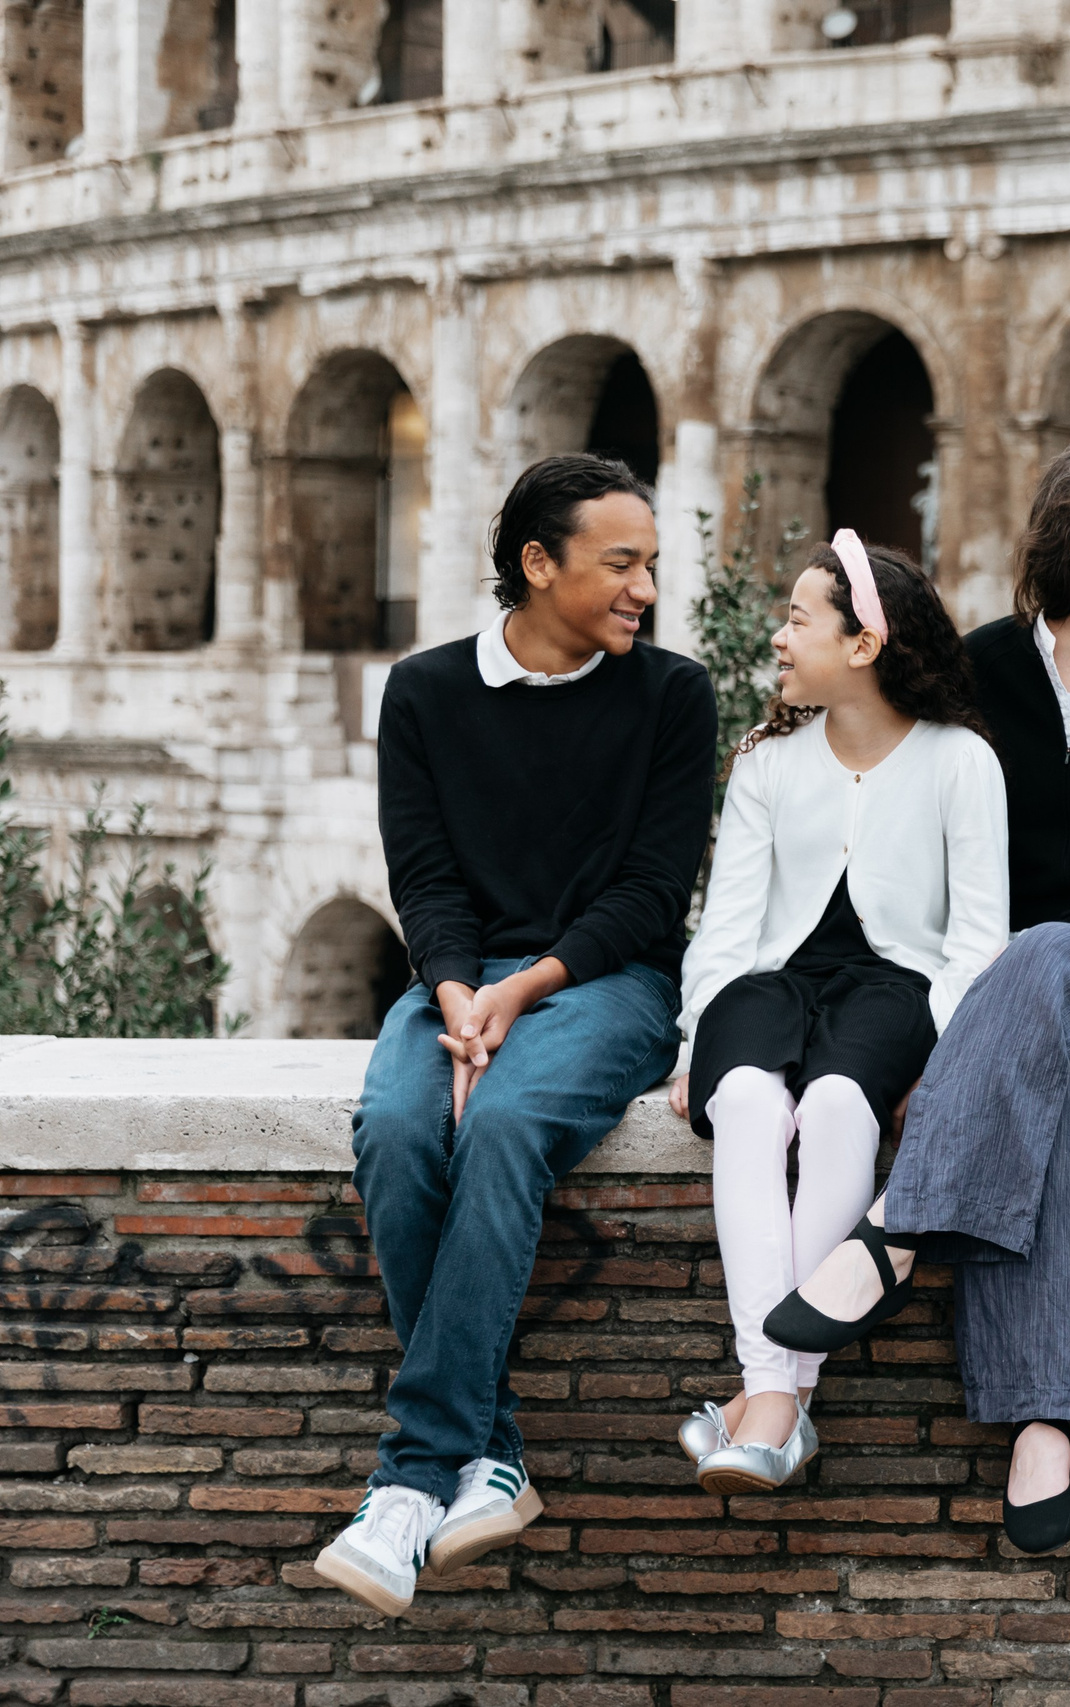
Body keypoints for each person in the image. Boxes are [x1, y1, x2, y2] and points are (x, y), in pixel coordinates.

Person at [765, 429, 1070, 1555]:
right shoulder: (987, 667)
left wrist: (1029, 959)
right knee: (1061, 1110)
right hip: (1027, 1003)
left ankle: (898, 1230)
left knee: (1039, 967)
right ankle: (1042, 1423)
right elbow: (897, 770)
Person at [315, 454, 714, 1616]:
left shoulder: (671, 695)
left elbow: (650, 895)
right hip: (456, 981)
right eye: (622, 563)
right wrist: (451, 991)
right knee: (396, 1125)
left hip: (607, 981)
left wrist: (524, 987)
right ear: (538, 566)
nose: (645, 587)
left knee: (503, 1124)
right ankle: (487, 1458)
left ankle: (408, 1478)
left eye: (653, 564)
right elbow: (424, 877)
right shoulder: (427, 691)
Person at [667, 535, 1006, 1494]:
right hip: (770, 984)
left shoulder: (960, 761)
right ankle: (780, 1397)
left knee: (837, 1108)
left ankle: (763, 1400)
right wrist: (698, 1036)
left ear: (862, 646)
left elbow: (978, 938)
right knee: (744, 1103)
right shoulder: (767, 762)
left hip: (900, 988)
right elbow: (725, 927)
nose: (778, 638)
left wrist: (941, 1057)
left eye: (798, 620)